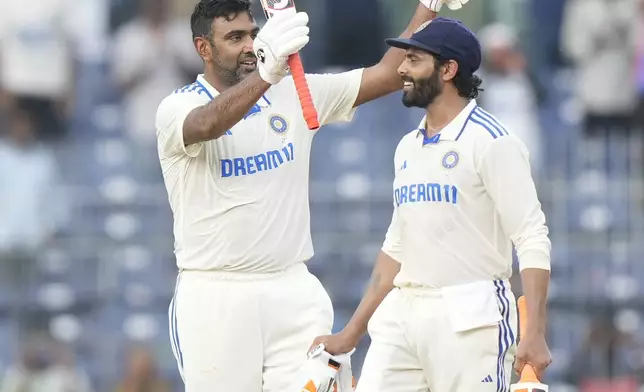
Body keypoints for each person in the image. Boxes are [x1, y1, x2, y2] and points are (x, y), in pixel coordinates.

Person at [154, 0, 468, 391]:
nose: (250, 46)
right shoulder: (177, 106)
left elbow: (388, 74)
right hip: (216, 296)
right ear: (203, 48)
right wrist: (267, 74)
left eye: (253, 34)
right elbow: (208, 123)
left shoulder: (292, 93)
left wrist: (427, 8)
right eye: (235, 38)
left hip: (292, 288)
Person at [311, 17, 553, 392]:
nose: (402, 69)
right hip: (404, 317)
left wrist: (534, 331)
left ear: (448, 69)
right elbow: (396, 246)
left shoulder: (492, 142)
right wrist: (351, 333)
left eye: (414, 60)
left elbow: (532, 236)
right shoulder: (407, 147)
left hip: (471, 319)